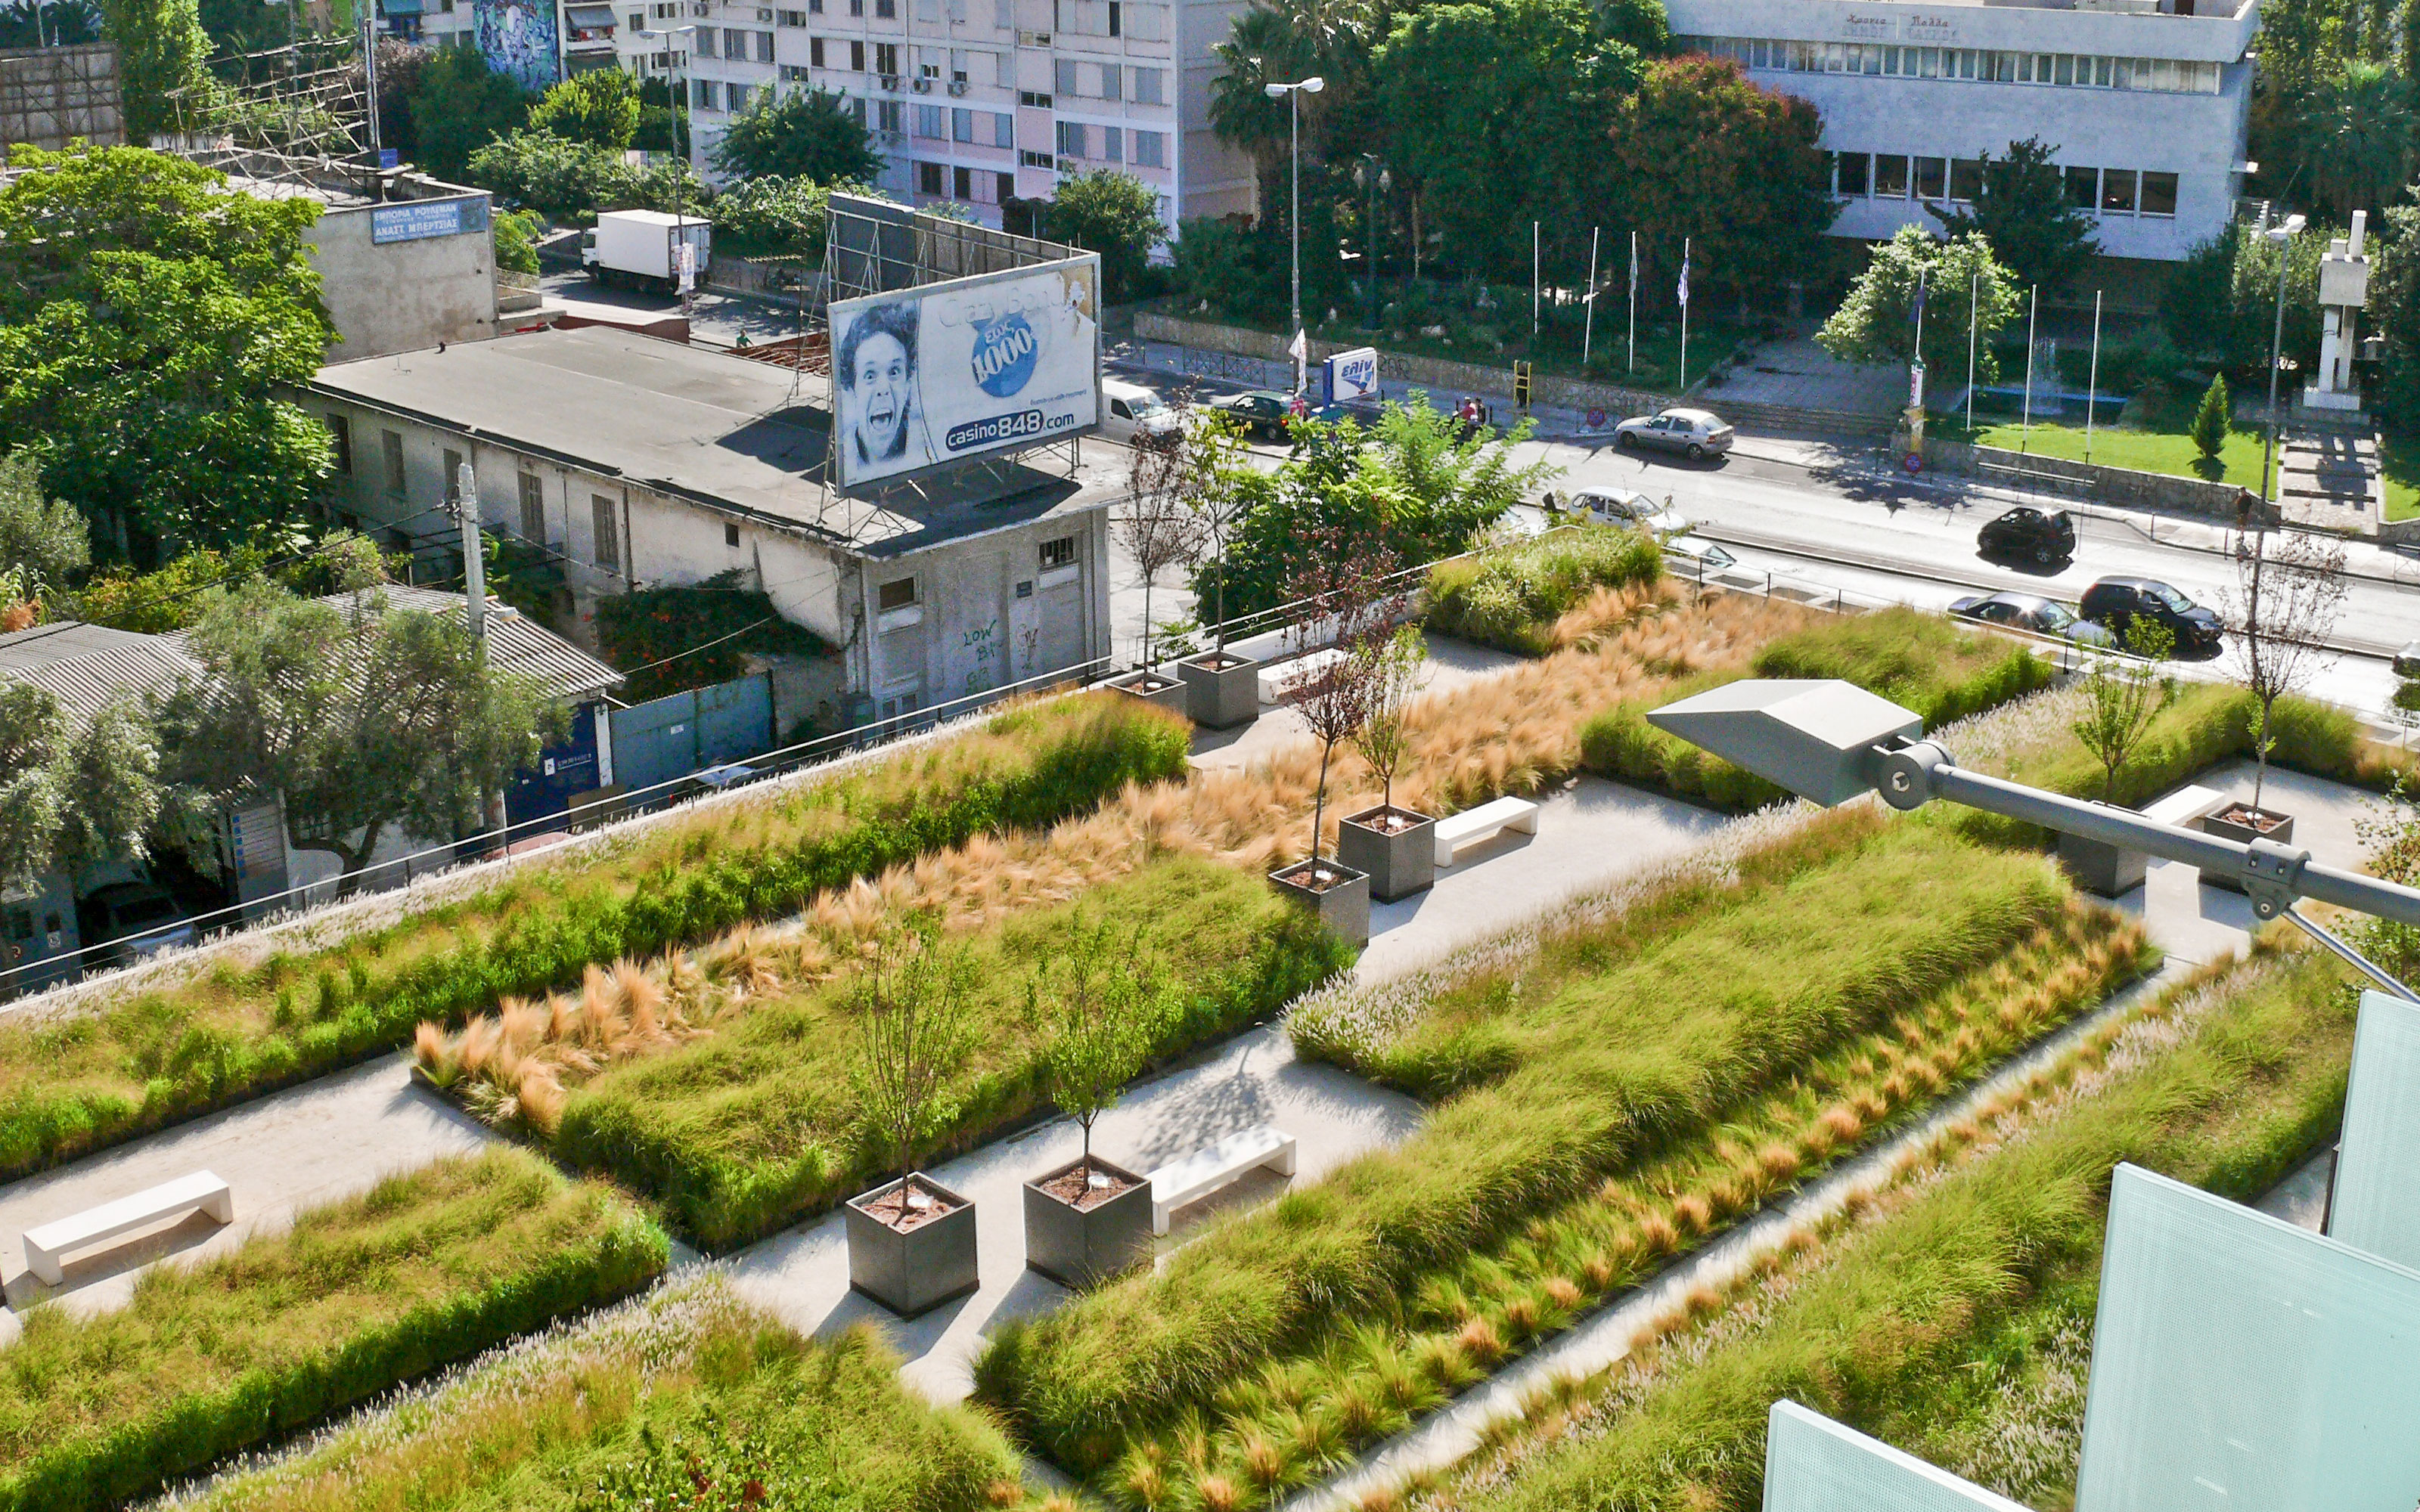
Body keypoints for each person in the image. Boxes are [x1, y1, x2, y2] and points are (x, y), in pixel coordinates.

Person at [835, 300, 927, 479]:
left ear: (908, 384)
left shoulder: (927, 450)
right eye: (870, 375)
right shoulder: (847, 462)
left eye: (894, 372)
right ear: (853, 389)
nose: (883, 389)